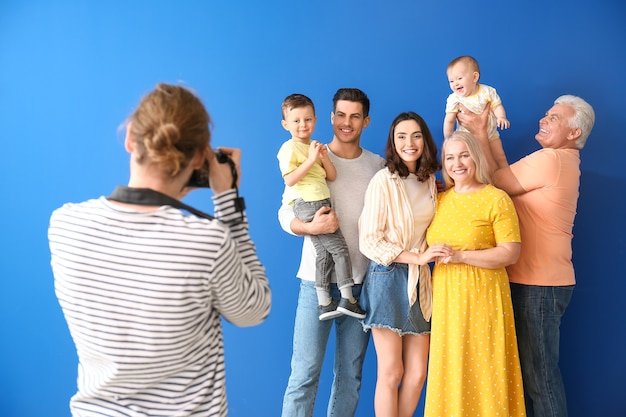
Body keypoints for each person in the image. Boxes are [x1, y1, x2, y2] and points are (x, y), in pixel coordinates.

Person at [48, 83, 271, 417]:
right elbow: (254, 311)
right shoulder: (207, 242)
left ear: (130, 141)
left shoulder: (64, 225)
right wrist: (228, 203)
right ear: (199, 158)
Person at [458, 95, 595, 417]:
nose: (543, 120)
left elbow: (496, 181)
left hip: (539, 285)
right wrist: (485, 132)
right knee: (532, 375)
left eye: (554, 118)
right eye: (546, 114)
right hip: (535, 282)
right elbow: (505, 173)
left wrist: (481, 132)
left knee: (539, 377)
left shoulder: (553, 159)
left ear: (574, 133)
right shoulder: (558, 160)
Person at [279, 88, 385, 417]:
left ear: (366, 121)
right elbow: (284, 213)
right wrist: (309, 228)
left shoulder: (377, 166)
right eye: (340, 115)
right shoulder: (309, 157)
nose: (346, 122)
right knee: (305, 374)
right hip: (315, 282)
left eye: (355, 116)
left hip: (360, 284)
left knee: (349, 378)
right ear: (331, 118)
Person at [424, 130, 526, 417]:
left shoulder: (496, 198)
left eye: (464, 155)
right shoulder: (439, 199)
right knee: (452, 367)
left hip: (484, 298)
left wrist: (461, 256)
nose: (457, 163)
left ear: (476, 157)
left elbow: (510, 252)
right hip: (446, 300)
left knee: (485, 367)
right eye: (450, 157)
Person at [358, 112, 452, 417]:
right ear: (393, 142)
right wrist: (417, 257)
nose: (409, 143)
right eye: (401, 137)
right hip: (388, 277)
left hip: (420, 282)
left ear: (425, 140)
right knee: (392, 372)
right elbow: (369, 241)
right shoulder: (383, 181)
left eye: (415, 136)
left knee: (417, 374)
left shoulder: (429, 183)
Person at [277, 93, 365, 320]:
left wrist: (322, 157)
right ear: (285, 124)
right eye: (296, 121)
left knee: (324, 253)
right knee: (338, 249)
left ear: (315, 121)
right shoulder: (289, 148)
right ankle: (347, 297)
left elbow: (332, 176)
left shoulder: (315, 148)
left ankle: (325, 301)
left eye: (307, 120)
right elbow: (289, 180)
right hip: (309, 204)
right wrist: (310, 158)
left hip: (320, 201)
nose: (302, 125)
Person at [443, 55, 510, 169]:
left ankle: (507, 178)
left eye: (459, 78)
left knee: (500, 157)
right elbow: (449, 121)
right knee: (473, 164)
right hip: (467, 139)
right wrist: (448, 139)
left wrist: (501, 117)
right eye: (451, 81)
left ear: (474, 77)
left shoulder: (487, 91)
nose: (455, 84)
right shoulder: (454, 99)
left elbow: (497, 106)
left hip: (491, 135)